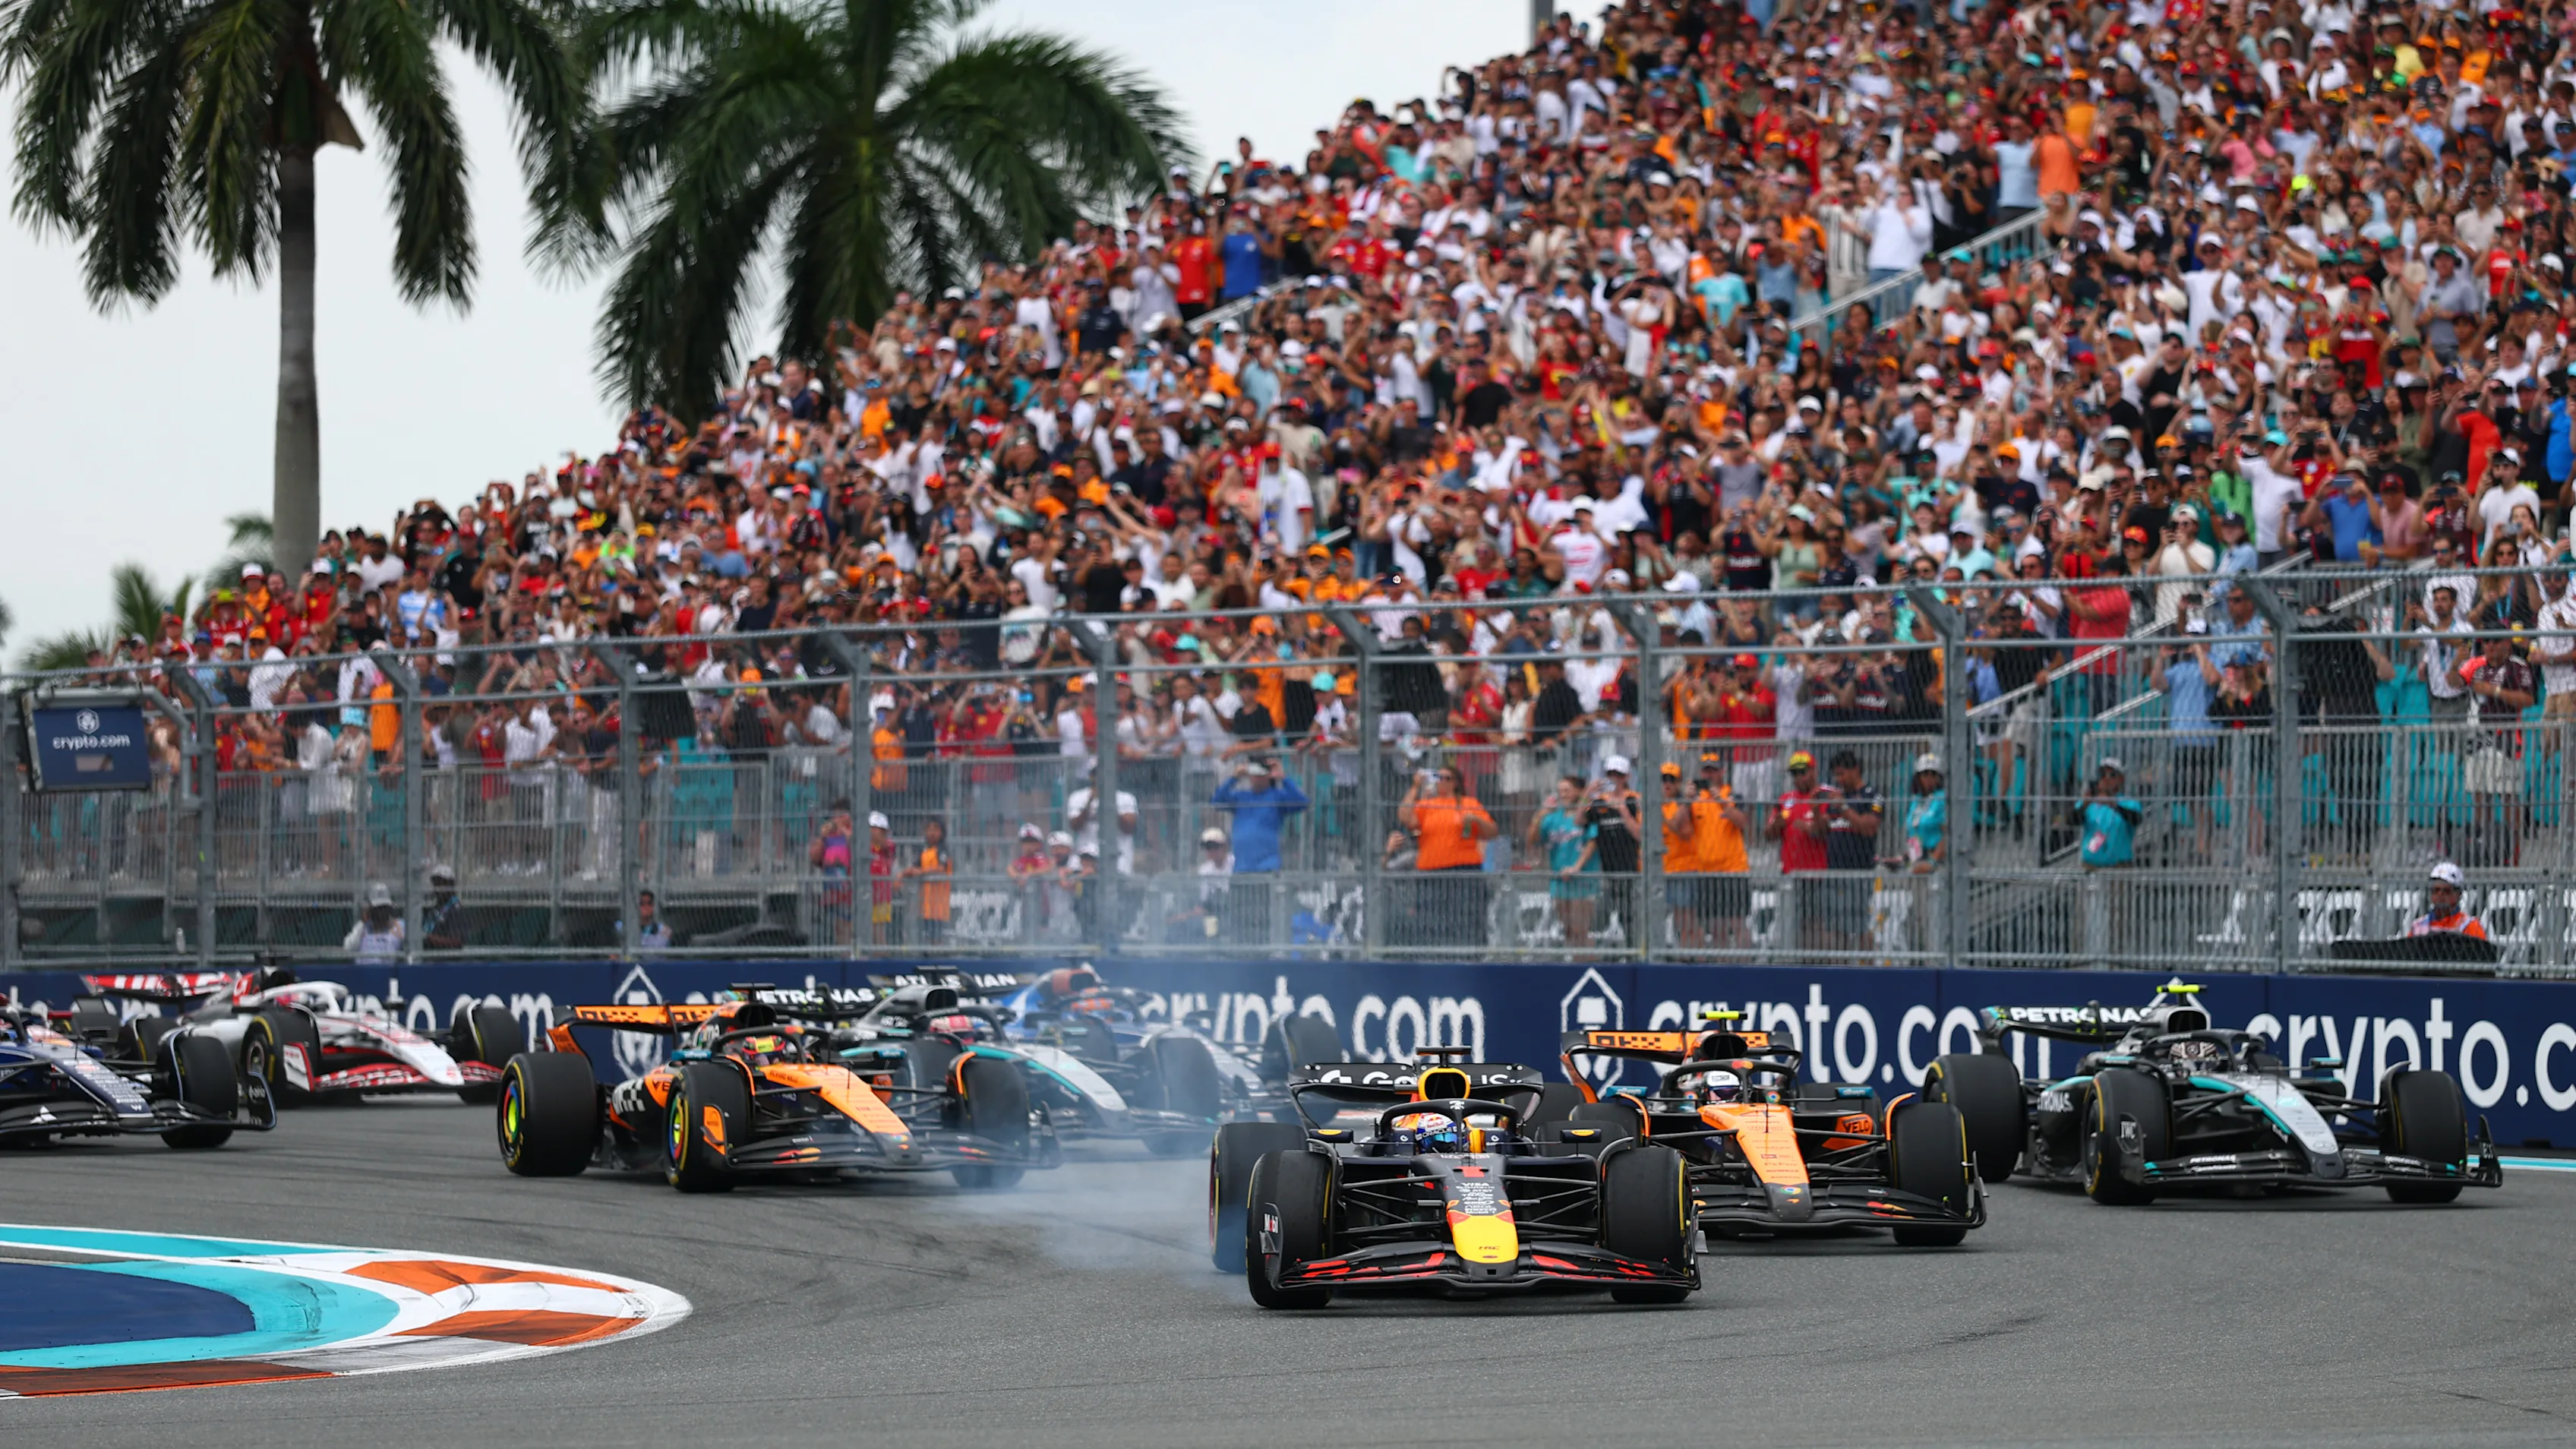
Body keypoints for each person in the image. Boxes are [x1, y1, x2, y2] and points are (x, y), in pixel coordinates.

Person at [1398, 761, 1495, 949]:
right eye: (1438, 777)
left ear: (1455, 783)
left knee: (1468, 918)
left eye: (1446, 778)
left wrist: (1476, 819)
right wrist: (1416, 786)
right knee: (1431, 919)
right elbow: (1405, 817)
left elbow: (1491, 832)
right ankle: (1434, 955)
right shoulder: (1427, 805)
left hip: (1464, 871)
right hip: (1431, 872)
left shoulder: (1469, 803)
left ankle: (1471, 955)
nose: (1441, 781)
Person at [1530, 773, 1599, 951]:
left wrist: (1577, 867)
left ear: (1579, 791)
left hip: (1582, 881)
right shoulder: (1553, 818)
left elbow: (1592, 842)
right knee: (1568, 930)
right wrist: (1539, 815)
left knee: (1580, 930)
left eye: (1567, 790)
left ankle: (1586, 962)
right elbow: (1532, 840)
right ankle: (1575, 961)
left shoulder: (1587, 815)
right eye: (1560, 791)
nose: (1563, 795)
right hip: (1560, 880)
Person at [898, 818, 952, 945]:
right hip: (926, 905)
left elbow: (941, 868)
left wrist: (922, 872)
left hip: (939, 904)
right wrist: (903, 874)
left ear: (942, 832)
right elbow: (915, 868)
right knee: (927, 935)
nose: (932, 833)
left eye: (936, 829)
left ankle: (937, 953)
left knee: (937, 936)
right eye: (929, 829)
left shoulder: (943, 850)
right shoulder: (924, 851)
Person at [2079, 759, 2141, 868]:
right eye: (2103, 775)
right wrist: (2085, 804)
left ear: (2121, 779)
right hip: (2091, 866)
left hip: (2119, 866)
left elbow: (2136, 819)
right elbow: (2072, 821)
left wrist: (2113, 804)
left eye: (2112, 775)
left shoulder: (2128, 802)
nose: (2106, 779)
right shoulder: (2090, 802)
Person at [2405, 862, 2489, 940]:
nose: (2440, 895)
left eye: (2446, 891)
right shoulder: (2418, 926)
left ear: (2459, 894)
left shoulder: (2470, 926)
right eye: (2436, 890)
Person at [345, 882, 402, 963]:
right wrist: (363, 923)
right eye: (378, 908)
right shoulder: (362, 927)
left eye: (384, 908)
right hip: (364, 969)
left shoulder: (399, 926)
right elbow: (348, 947)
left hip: (388, 969)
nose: (381, 912)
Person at [421, 864, 465, 951]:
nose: (438, 888)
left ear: (451, 885)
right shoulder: (434, 910)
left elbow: (457, 942)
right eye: (436, 884)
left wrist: (430, 938)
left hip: (445, 957)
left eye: (442, 883)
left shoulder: (455, 909)